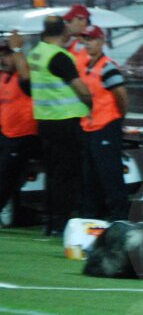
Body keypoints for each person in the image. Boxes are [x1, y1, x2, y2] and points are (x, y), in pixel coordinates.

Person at [20, 16, 91, 236]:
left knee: (52, 173)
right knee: (67, 174)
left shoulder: (37, 53)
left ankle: (50, 221)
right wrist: (91, 103)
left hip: (45, 120)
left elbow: (27, 85)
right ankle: (62, 222)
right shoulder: (59, 56)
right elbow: (81, 89)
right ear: (63, 31)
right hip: (65, 120)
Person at [76, 25, 129, 222]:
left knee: (110, 175)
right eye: (85, 40)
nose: (87, 43)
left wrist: (117, 117)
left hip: (106, 126)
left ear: (101, 42)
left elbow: (121, 96)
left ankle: (119, 217)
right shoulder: (88, 66)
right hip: (91, 127)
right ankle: (92, 217)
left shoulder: (108, 67)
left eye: (91, 39)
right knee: (90, 176)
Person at [0, 36, 37, 222]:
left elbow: (27, 76)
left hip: (21, 137)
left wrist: (17, 50)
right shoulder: (4, 78)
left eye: (6, 54)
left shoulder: (22, 79)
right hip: (6, 136)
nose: (2, 59)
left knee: (5, 179)